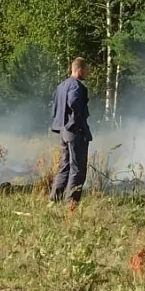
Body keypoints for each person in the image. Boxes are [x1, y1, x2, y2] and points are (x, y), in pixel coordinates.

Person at [49, 57, 92, 206]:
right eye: (86, 70)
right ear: (79, 70)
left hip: (63, 131)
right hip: (74, 131)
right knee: (77, 168)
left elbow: (55, 107)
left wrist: (61, 125)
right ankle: (71, 204)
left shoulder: (61, 86)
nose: (87, 73)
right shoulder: (76, 86)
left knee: (65, 165)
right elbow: (74, 102)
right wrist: (75, 123)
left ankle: (54, 200)